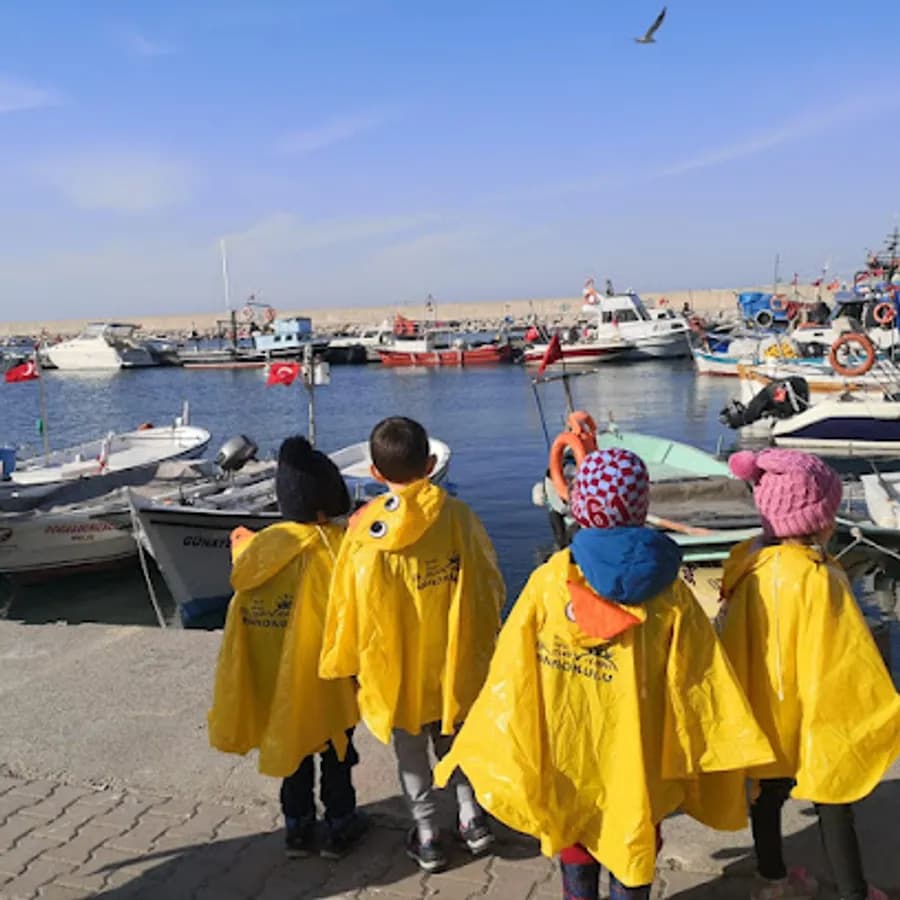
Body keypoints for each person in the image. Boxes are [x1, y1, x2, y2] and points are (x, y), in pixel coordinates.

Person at [434, 448, 774, 900]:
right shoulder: (670, 592)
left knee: (575, 833)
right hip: (641, 751)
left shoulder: (549, 581)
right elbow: (701, 680)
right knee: (633, 833)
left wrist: (495, 738)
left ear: (580, 505)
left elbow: (511, 673)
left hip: (568, 747)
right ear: (641, 504)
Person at [320, 416, 506, 873]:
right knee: (457, 744)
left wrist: (345, 661)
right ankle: (471, 818)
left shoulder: (365, 532)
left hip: (395, 671)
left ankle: (426, 834)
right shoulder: (459, 517)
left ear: (376, 473)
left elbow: (347, 604)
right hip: (452, 661)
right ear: (428, 463)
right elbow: (488, 586)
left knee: (410, 756)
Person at [721, 450, 900, 900]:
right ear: (819, 520)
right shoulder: (821, 580)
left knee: (767, 791)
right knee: (834, 798)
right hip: (815, 712)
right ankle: (852, 891)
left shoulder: (747, 570)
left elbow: (729, 640)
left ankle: (773, 877)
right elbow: (849, 656)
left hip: (765, 710)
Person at [208, 436, 366, 860]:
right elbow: (359, 609)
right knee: (337, 751)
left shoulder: (261, 548)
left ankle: (297, 829)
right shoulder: (337, 549)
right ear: (323, 505)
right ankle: (340, 825)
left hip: (274, 675)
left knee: (292, 751)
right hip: (328, 680)